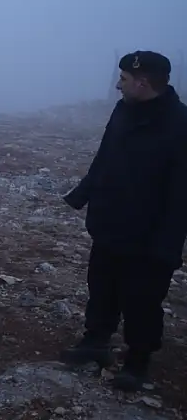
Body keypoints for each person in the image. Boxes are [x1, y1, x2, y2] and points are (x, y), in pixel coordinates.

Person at [59, 51, 187, 391]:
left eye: (124, 80)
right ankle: (95, 343)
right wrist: (82, 193)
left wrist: (168, 247)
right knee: (101, 289)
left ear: (143, 82)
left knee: (142, 302)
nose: (118, 85)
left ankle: (137, 362)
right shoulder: (123, 111)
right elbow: (106, 156)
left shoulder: (179, 125)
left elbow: (181, 197)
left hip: (148, 237)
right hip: (109, 225)